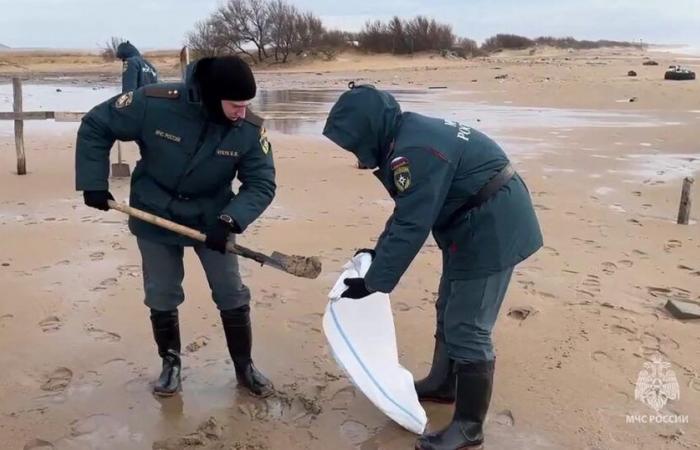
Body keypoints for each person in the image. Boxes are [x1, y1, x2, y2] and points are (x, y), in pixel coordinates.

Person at [322, 83, 543, 450]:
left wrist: (373, 283)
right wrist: (377, 256)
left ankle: (470, 427)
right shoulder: (405, 134)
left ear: (369, 129)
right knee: (448, 307)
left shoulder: (413, 152)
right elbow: (407, 210)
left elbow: (412, 223)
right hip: (470, 223)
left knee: (468, 326)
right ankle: (443, 385)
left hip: (493, 228)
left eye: (353, 143)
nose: (355, 154)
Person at [75, 56, 276, 398]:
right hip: (154, 210)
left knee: (230, 291)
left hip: (212, 217)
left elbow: (261, 183)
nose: (241, 112)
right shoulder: (154, 103)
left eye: (246, 105)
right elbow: (97, 124)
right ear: (212, 96)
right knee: (162, 291)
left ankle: (244, 367)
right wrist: (94, 181)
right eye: (234, 105)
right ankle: (171, 364)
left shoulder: (248, 129)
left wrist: (230, 219)